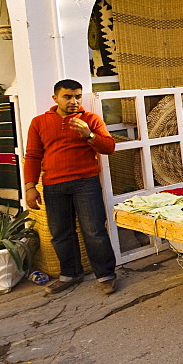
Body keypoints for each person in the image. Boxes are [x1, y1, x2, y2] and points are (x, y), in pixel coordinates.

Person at [25, 79, 118, 295]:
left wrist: (89, 135)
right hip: (53, 185)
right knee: (60, 233)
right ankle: (71, 274)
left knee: (94, 230)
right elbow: (32, 156)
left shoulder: (90, 119)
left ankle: (106, 275)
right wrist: (30, 187)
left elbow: (109, 147)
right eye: (68, 97)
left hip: (86, 182)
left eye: (78, 96)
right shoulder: (39, 122)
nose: (74, 101)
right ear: (55, 98)